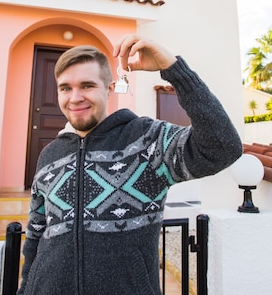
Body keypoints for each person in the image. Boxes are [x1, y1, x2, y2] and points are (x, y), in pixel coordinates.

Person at [18, 34, 243, 295]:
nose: (75, 97)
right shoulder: (49, 156)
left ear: (109, 88)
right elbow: (35, 235)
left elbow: (222, 146)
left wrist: (173, 68)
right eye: (65, 88)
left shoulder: (146, 141)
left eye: (87, 86)